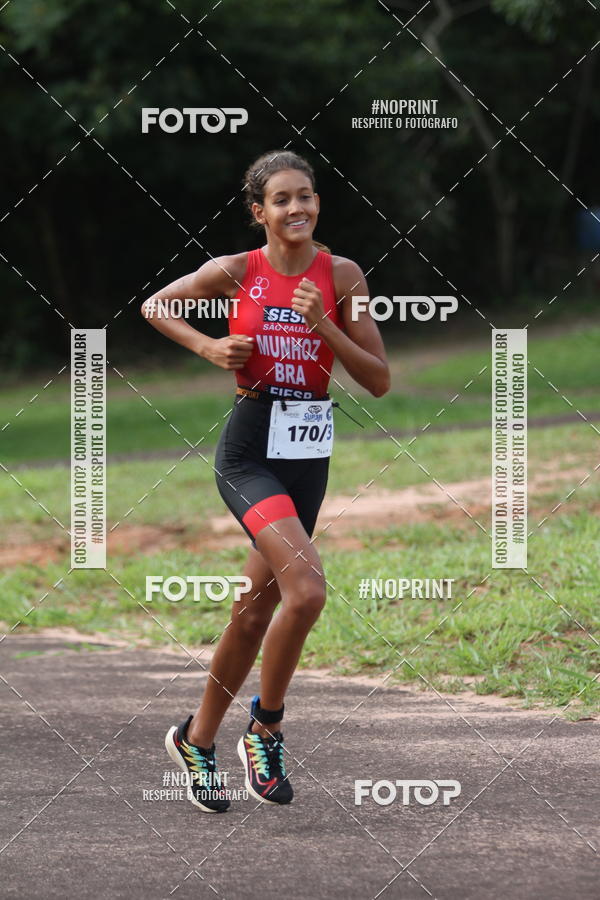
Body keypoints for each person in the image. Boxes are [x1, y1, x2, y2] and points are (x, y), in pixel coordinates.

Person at [142, 150, 390, 812]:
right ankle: (266, 727)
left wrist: (324, 324)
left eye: (306, 195)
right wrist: (208, 347)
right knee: (306, 593)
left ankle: (194, 739)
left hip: (308, 454)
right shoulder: (235, 271)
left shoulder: (343, 276)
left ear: (318, 203)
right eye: (282, 199)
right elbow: (156, 305)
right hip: (250, 450)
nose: (297, 207)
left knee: (255, 612)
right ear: (260, 212)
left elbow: (378, 380)